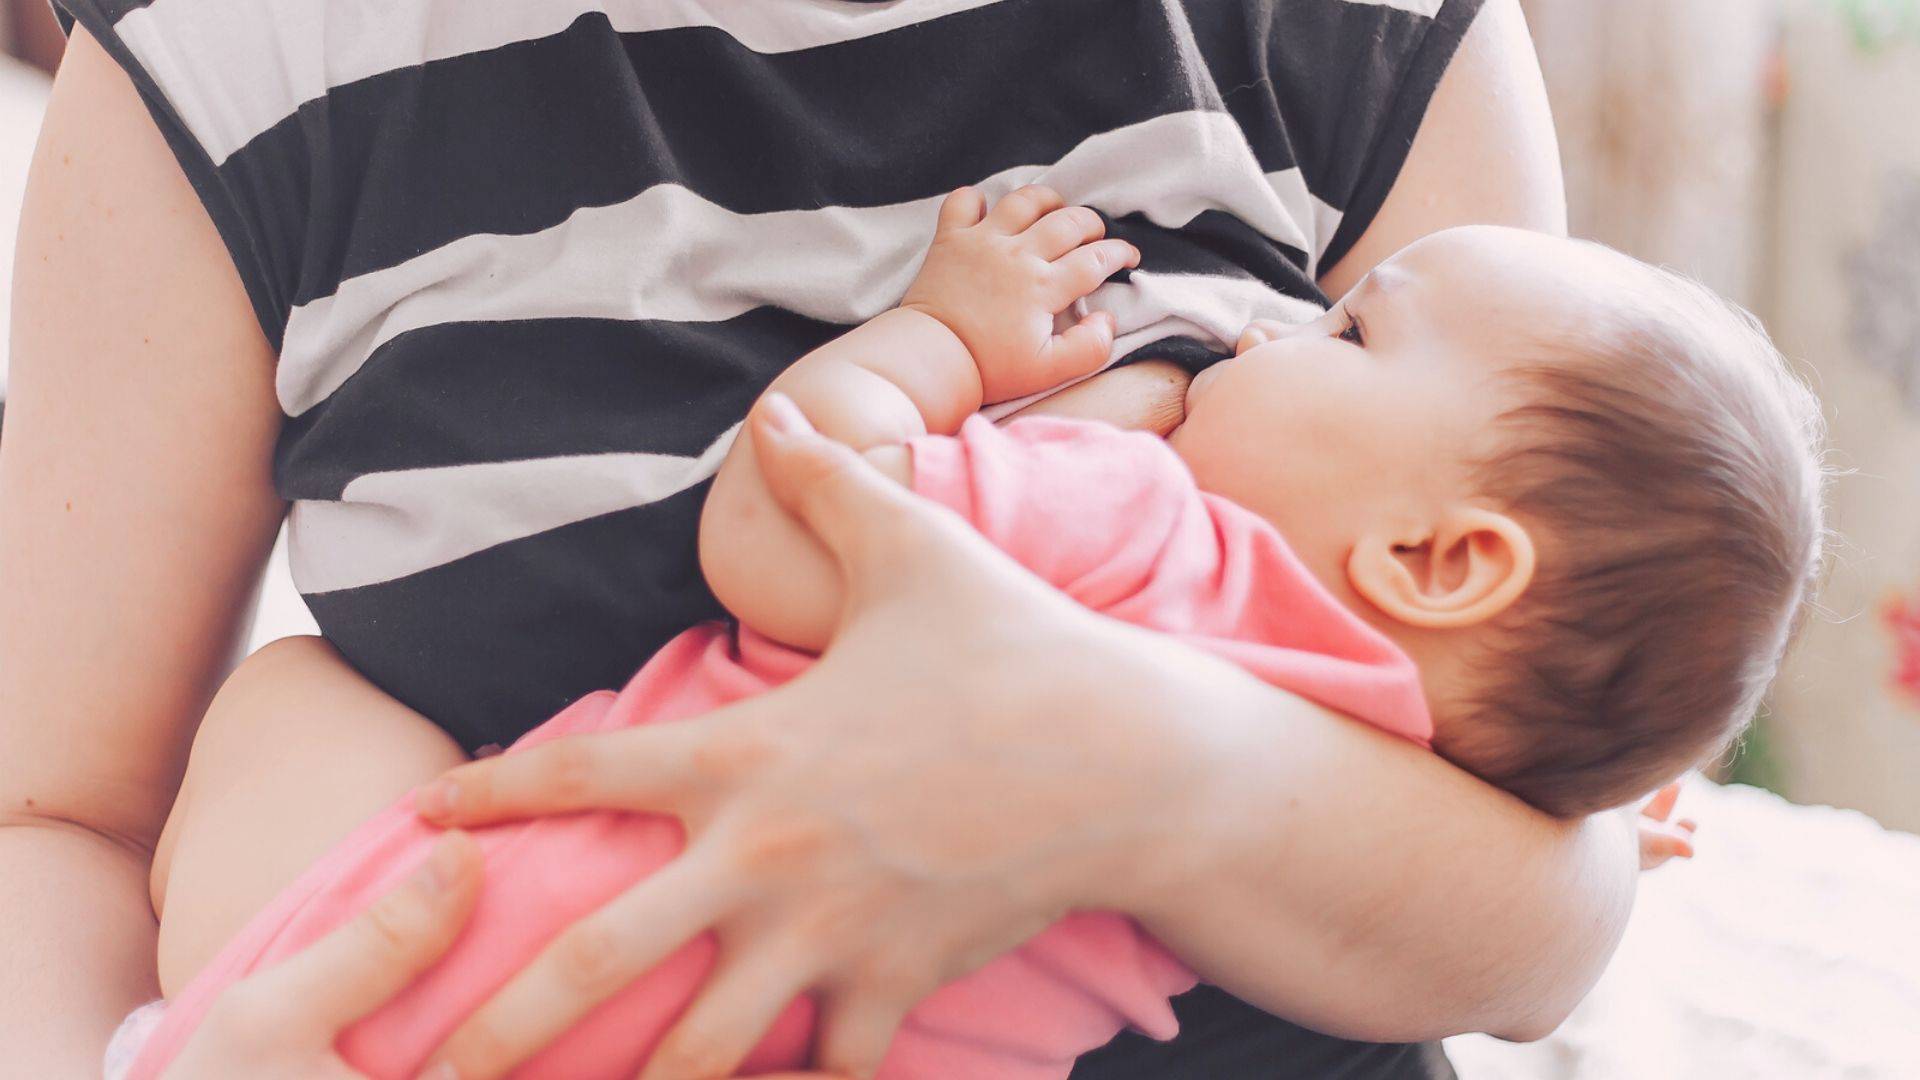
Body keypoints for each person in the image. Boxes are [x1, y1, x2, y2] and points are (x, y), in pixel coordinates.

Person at [1, 3, 1634, 1078]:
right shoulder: (238, 55)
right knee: (302, 706)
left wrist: (1133, 764)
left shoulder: (1363, 31)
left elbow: (1559, 891)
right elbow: (52, 818)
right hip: (457, 1000)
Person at [122, 191, 1824, 1080]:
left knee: (295, 700)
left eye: (1356, 335)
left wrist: (940, 346)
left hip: (465, 970)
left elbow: (776, 526)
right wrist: (1572, 802)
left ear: (1440, 558)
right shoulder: (1389, 757)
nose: (1277, 324)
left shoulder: (1137, 520)